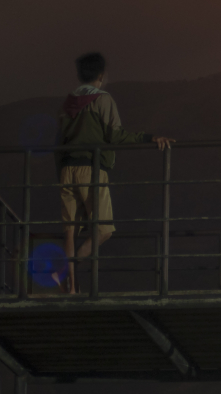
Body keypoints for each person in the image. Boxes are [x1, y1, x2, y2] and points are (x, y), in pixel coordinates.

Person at [52, 52, 174, 293]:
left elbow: (59, 142)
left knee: (69, 231)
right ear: (101, 75)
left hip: (67, 169)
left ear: (80, 74)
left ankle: (71, 289)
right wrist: (150, 138)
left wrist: (61, 174)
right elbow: (116, 135)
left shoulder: (67, 103)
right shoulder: (103, 99)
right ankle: (66, 271)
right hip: (92, 168)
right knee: (104, 230)